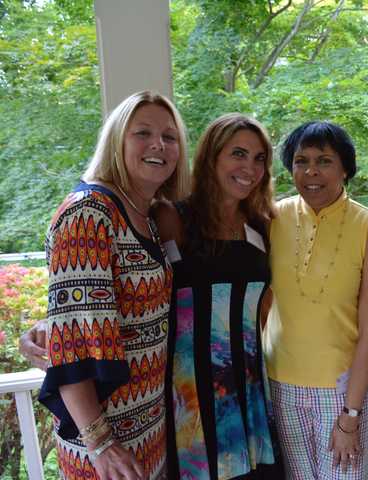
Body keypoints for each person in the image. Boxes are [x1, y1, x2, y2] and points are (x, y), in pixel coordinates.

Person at [37, 90, 190, 480]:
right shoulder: (88, 213)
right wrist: (100, 443)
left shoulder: (147, 217)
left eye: (169, 137)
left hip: (147, 431)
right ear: (117, 139)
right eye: (143, 133)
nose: (158, 144)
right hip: (106, 450)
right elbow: (72, 343)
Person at [153, 113, 284, 479]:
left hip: (250, 399)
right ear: (212, 157)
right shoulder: (171, 217)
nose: (250, 168)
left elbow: (263, 309)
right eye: (238, 154)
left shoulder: (261, 225)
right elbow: (137, 289)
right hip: (190, 404)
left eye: (259, 159)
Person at [263, 121, 368, 479]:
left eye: (324, 161)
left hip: (340, 392)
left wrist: (350, 416)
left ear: (345, 168)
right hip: (281, 387)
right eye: (301, 161)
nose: (311, 172)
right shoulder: (272, 217)